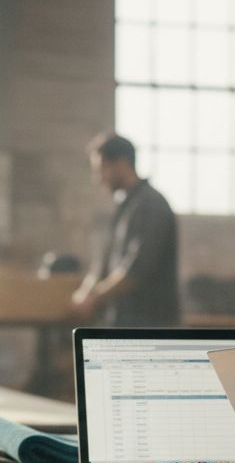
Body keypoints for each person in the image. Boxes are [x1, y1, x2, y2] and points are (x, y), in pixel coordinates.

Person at [72, 133, 180, 327]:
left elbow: (136, 269)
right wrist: (85, 292)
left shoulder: (151, 205)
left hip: (150, 325)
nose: (99, 179)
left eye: (102, 169)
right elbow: (103, 262)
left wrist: (94, 297)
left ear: (121, 164)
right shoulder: (126, 207)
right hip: (125, 322)